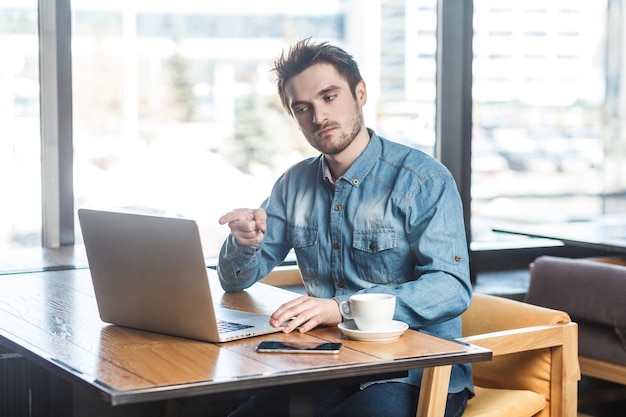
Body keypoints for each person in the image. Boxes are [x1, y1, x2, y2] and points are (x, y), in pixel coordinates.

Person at [217, 38, 473, 417]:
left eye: (330, 96)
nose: (318, 117)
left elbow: (451, 288)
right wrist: (245, 243)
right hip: (330, 365)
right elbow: (235, 280)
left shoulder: (423, 179)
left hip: (415, 372)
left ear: (360, 92)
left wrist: (341, 308)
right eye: (302, 108)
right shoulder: (293, 184)